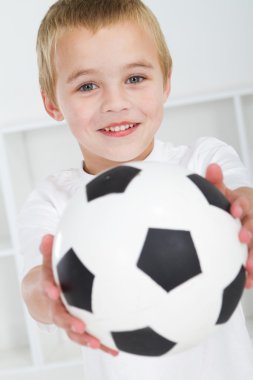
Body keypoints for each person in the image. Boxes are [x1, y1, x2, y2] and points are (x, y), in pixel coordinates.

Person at [19, 0, 253, 379]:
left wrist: (246, 211)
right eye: (88, 85)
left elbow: (244, 197)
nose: (115, 103)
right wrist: (45, 292)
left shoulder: (203, 166)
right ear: (51, 102)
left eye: (135, 79)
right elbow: (32, 286)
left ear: (166, 82)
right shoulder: (53, 201)